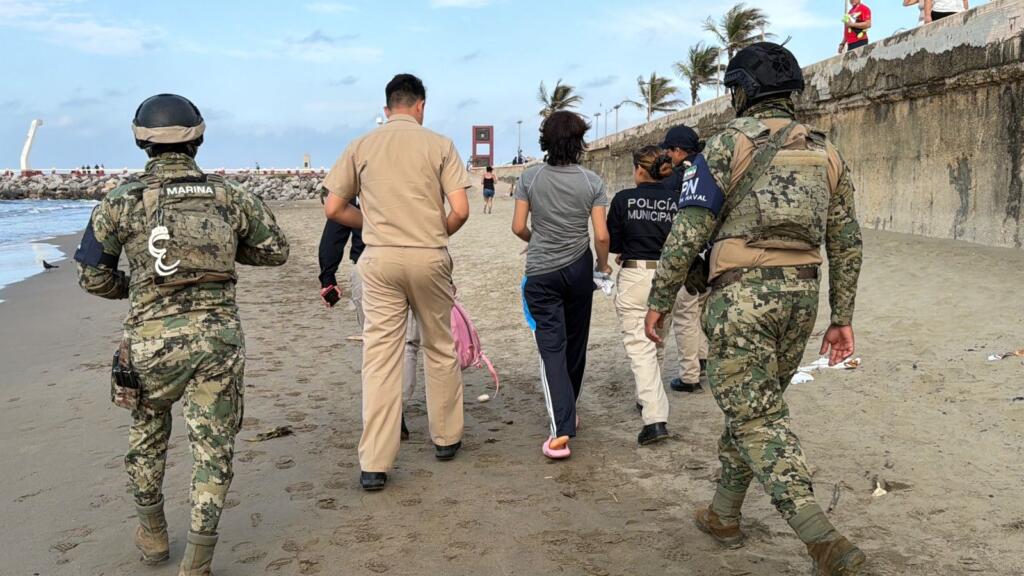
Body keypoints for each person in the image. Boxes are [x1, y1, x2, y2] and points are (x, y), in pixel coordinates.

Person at [643, 43, 865, 574]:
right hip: (803, 297)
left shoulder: (723, 146)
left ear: (741, 90)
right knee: (753, 408)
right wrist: (841, 317)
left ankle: (823, 540)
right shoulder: (826, 151)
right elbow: (847, 240)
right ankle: (723, 514)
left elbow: (686, 233)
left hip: (742, 297)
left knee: (758, 415)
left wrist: (660, 300)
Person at [74, 93, 289, 575]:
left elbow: (92, 277)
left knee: (148, 434)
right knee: (213, 447)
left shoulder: (120, 200)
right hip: (218, 340)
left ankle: (152, 536)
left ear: (140, 141)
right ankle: (197, 562)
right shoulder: (229, 196)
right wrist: (225, 258)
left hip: (150, 343)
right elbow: (275, 251)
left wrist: (137, 286)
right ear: (199, 138)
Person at [324, 73, 470, 491]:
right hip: (428, 255)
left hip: (379, 257)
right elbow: (460, 210)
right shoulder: (440, 144)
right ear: (421, 106)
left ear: (387, 108)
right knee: (439, 346)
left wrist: (370, 223)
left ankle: (374, 462)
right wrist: (434, 231)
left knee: (381, 356)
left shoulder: (362, 145)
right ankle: (446, 438)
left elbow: (333, 207)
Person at [513, 110, 610, 460]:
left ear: (545, 141)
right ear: (580, 142)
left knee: (551, 347)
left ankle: (560, 432)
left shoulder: (530, 177)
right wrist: (602, 265)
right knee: (575, 343)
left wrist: (538, 237)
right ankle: (569, 410)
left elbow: (518, 226)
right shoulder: (591, 182)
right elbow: (601, 235)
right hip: (580, 269)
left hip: (542, 271)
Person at [317, 201, 419, 440]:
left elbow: (335, 227)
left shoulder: (359, 172)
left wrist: (327, 277)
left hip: (370, 264)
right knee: (408, 343)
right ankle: (398, 408)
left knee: (377, 344)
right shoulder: (415, 172)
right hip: (416, 261)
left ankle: (387, 413)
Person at [607, 146, 676, 445]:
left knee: (639, 345)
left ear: (638, 169)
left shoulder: (624, 199)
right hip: (669, 274)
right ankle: (646, 396)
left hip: (636, 273)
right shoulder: (676, 200)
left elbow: (614, 242)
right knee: (658, 336)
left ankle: (654, 417)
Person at [660, 125, 710, 394]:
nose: (667, 155)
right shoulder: (709, 166)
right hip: (711, 251)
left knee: (685, 315)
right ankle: (702, 359)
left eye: (669, 150)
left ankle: (690, 376)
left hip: (688, 253)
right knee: (699, 309)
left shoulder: (677, 179)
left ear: (678, 150)